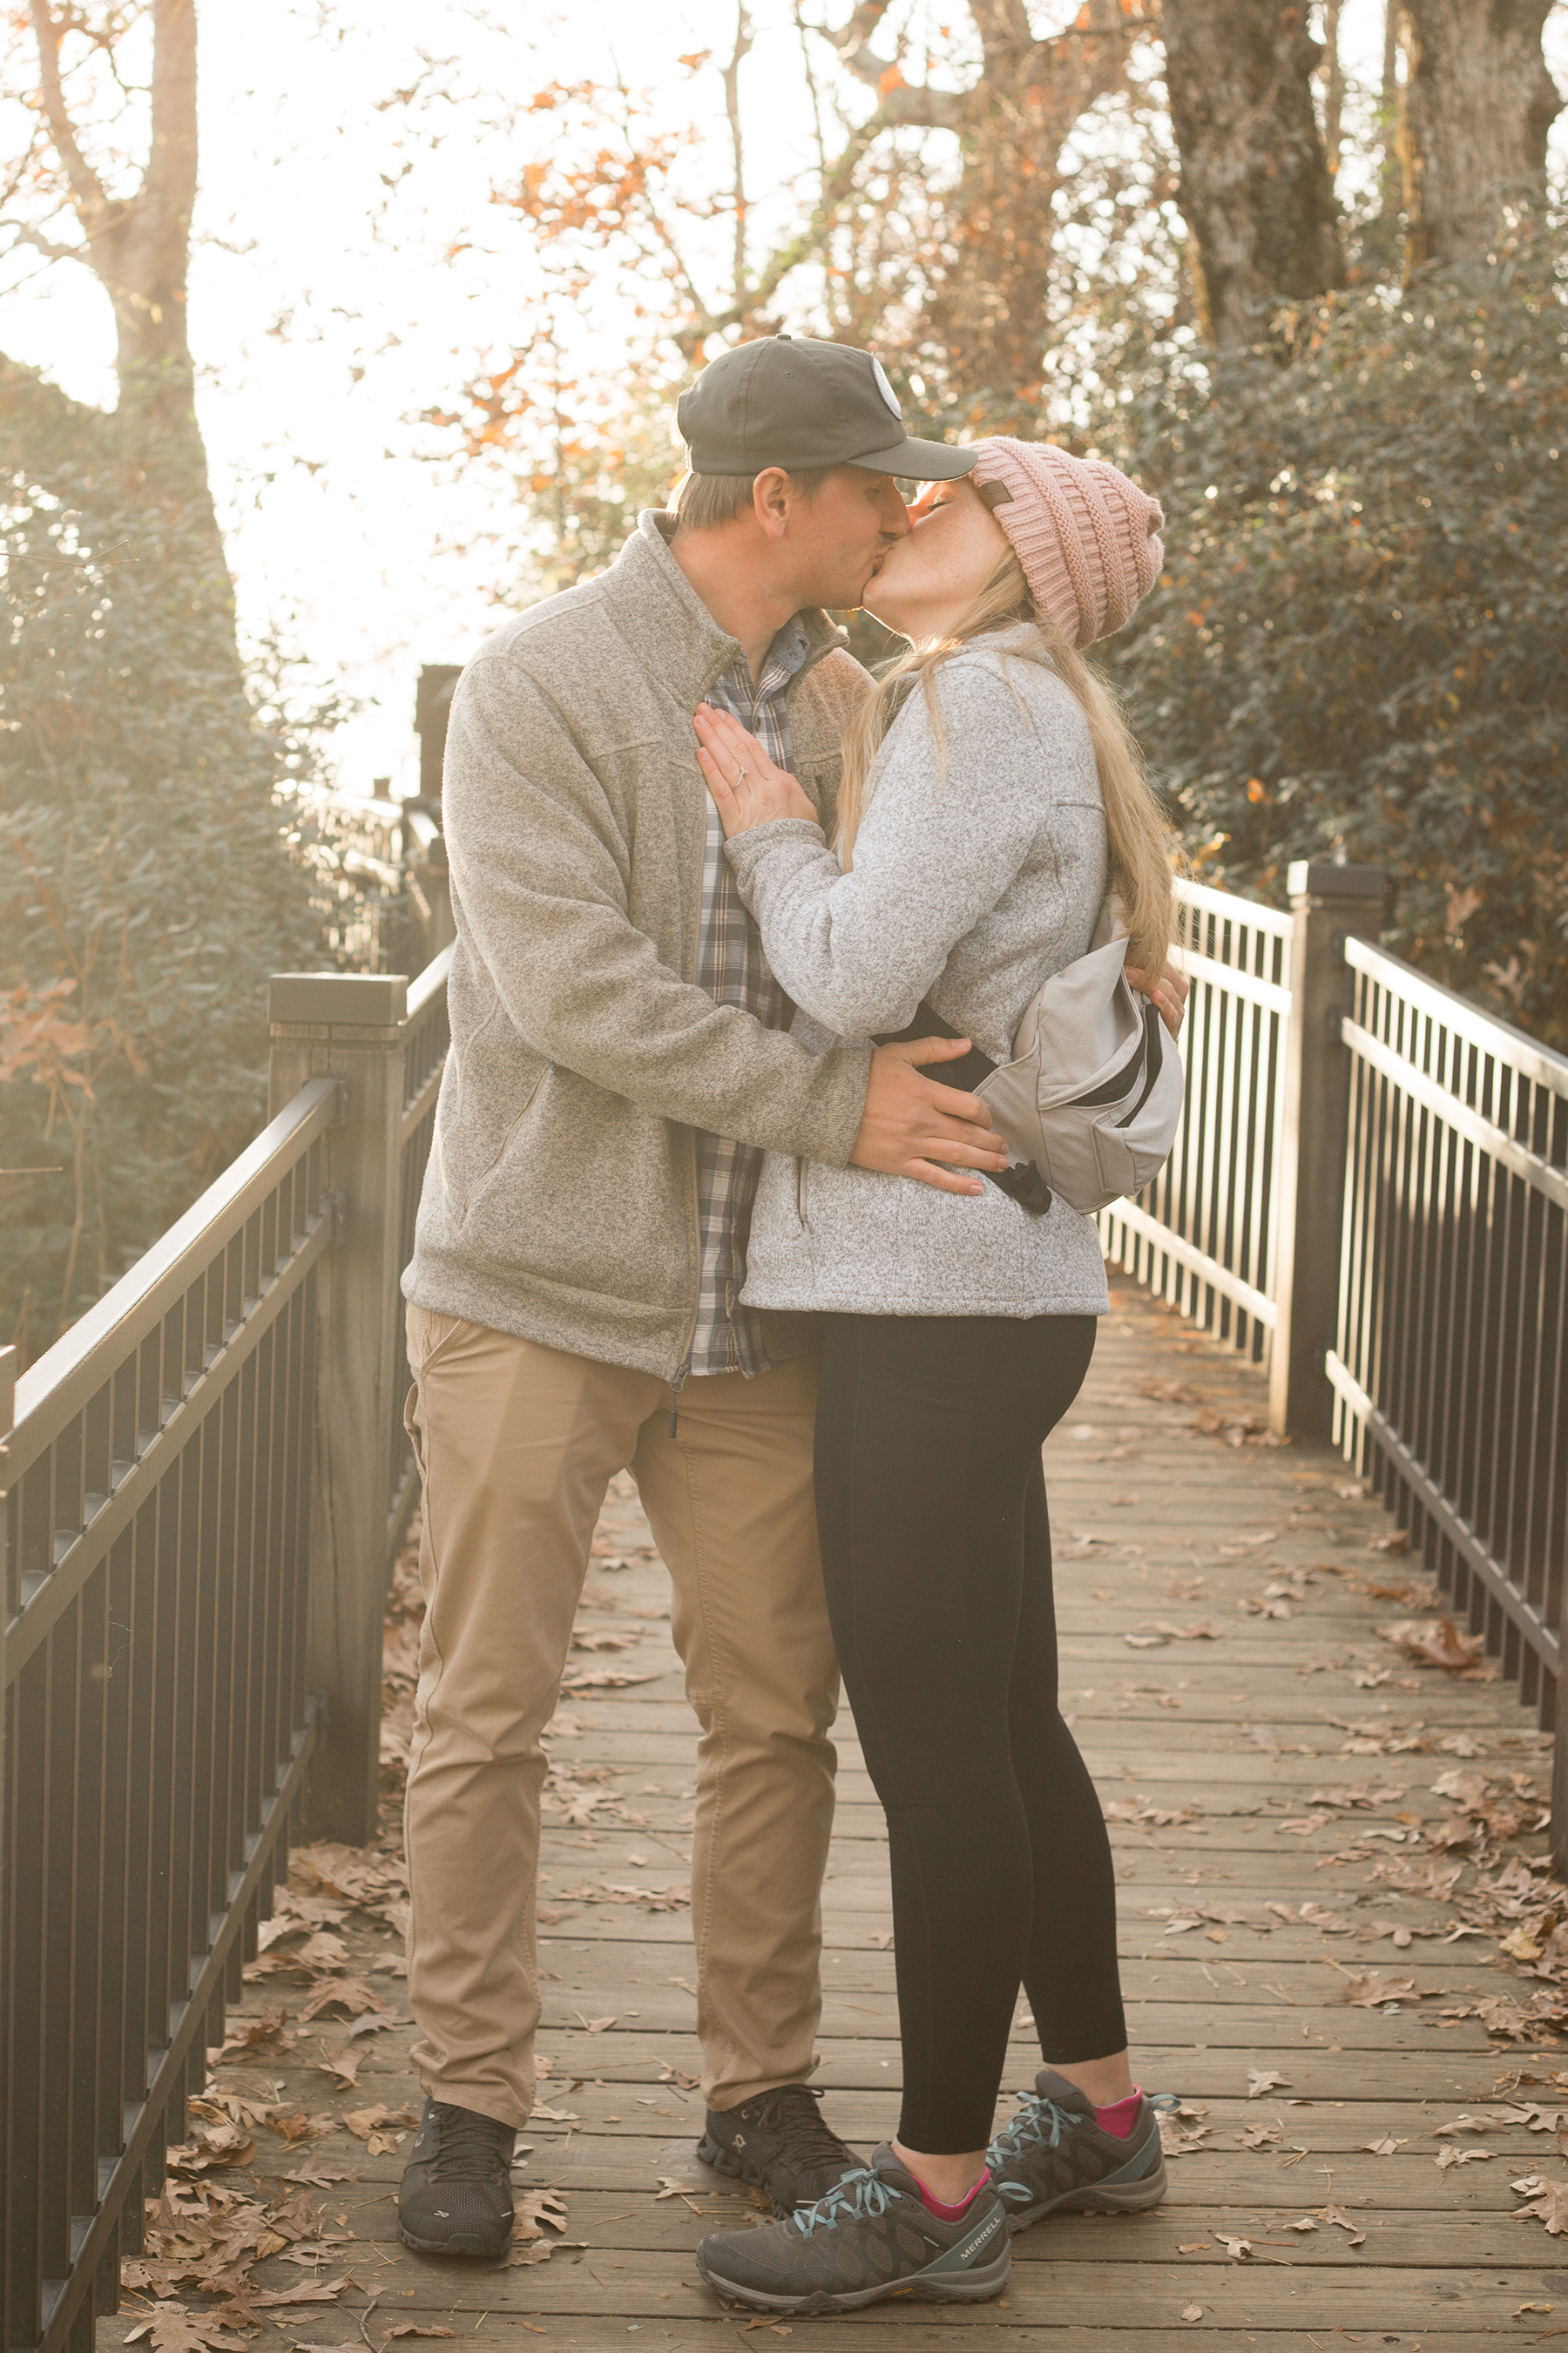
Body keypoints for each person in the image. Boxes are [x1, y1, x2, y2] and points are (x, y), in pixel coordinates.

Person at [392, 335, 1022, 2261]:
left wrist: (1095, 985)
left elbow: (899, 945)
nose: (904, 513)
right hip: (535, 1285)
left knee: (774, 1716)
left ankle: (756, 2096)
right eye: (876, 488)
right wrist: (840, 1102)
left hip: (765, 1310)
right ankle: (467, 2108)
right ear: (779, 501)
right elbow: (574, 992)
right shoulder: (535, 682)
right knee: (486, 1710)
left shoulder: (847, 702)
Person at [691, 439, 1178, 2317]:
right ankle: (1105, 2113)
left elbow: (849, 969)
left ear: (1020, 559)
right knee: (1013, 1723)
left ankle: (939, 2187)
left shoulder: (977, 707)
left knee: (937, 1759)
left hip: (923, 1303)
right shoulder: (1023, 708)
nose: (899, 518)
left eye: (945, 506)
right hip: (998, 1298)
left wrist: (761, 823)